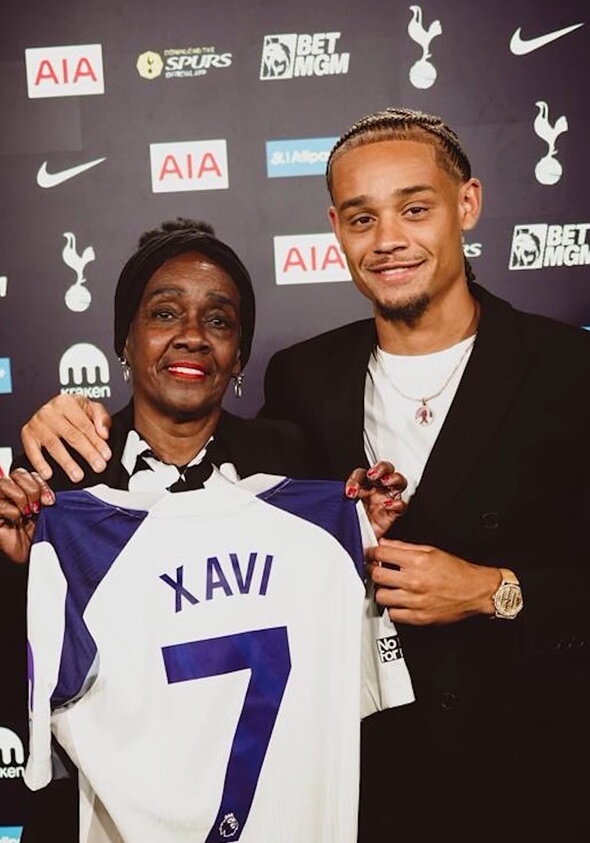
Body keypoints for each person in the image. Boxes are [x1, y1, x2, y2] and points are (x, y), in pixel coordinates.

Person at [13, 110, 590, 841]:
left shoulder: (576, 371)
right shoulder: (303, 383)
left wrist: (494, 590)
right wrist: (67, 425)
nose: (388, 239)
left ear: (468, 204)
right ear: (336, 228)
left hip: (532, 782)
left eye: (415, 208)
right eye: (362, 217)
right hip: (365, 793)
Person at [0, 217, 408, 842]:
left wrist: (361, 534)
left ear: (239, 355)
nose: (191, 336)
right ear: (125, 340)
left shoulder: (298, 469)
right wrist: (19, 567)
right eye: (164, 314)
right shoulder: (64, 481)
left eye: (218, 321)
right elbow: (28, 686)